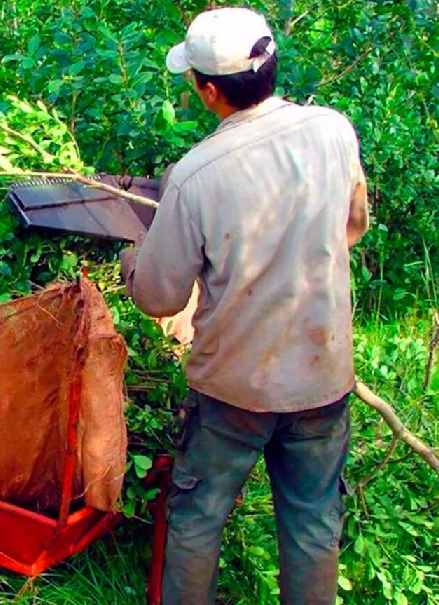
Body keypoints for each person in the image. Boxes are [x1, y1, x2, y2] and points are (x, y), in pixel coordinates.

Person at [120, 7, 369, 605]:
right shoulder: (334, 130)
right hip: (322, 378)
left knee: (199, 517)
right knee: (313, 522)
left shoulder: (196, 175)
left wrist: (134, 254)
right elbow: (352, 225)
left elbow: (160, 295)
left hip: (234, 391)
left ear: (208, 91)